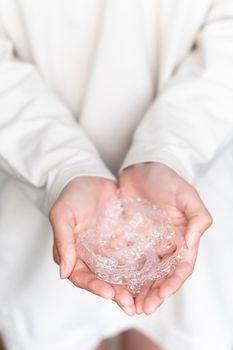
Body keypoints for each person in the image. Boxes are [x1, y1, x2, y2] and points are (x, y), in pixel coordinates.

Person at [0, 1, 232, 349]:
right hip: (47, 205)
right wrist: (64, 167)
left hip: (190, 192)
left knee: (175, 326)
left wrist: (169, 152)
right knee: (53, 324)